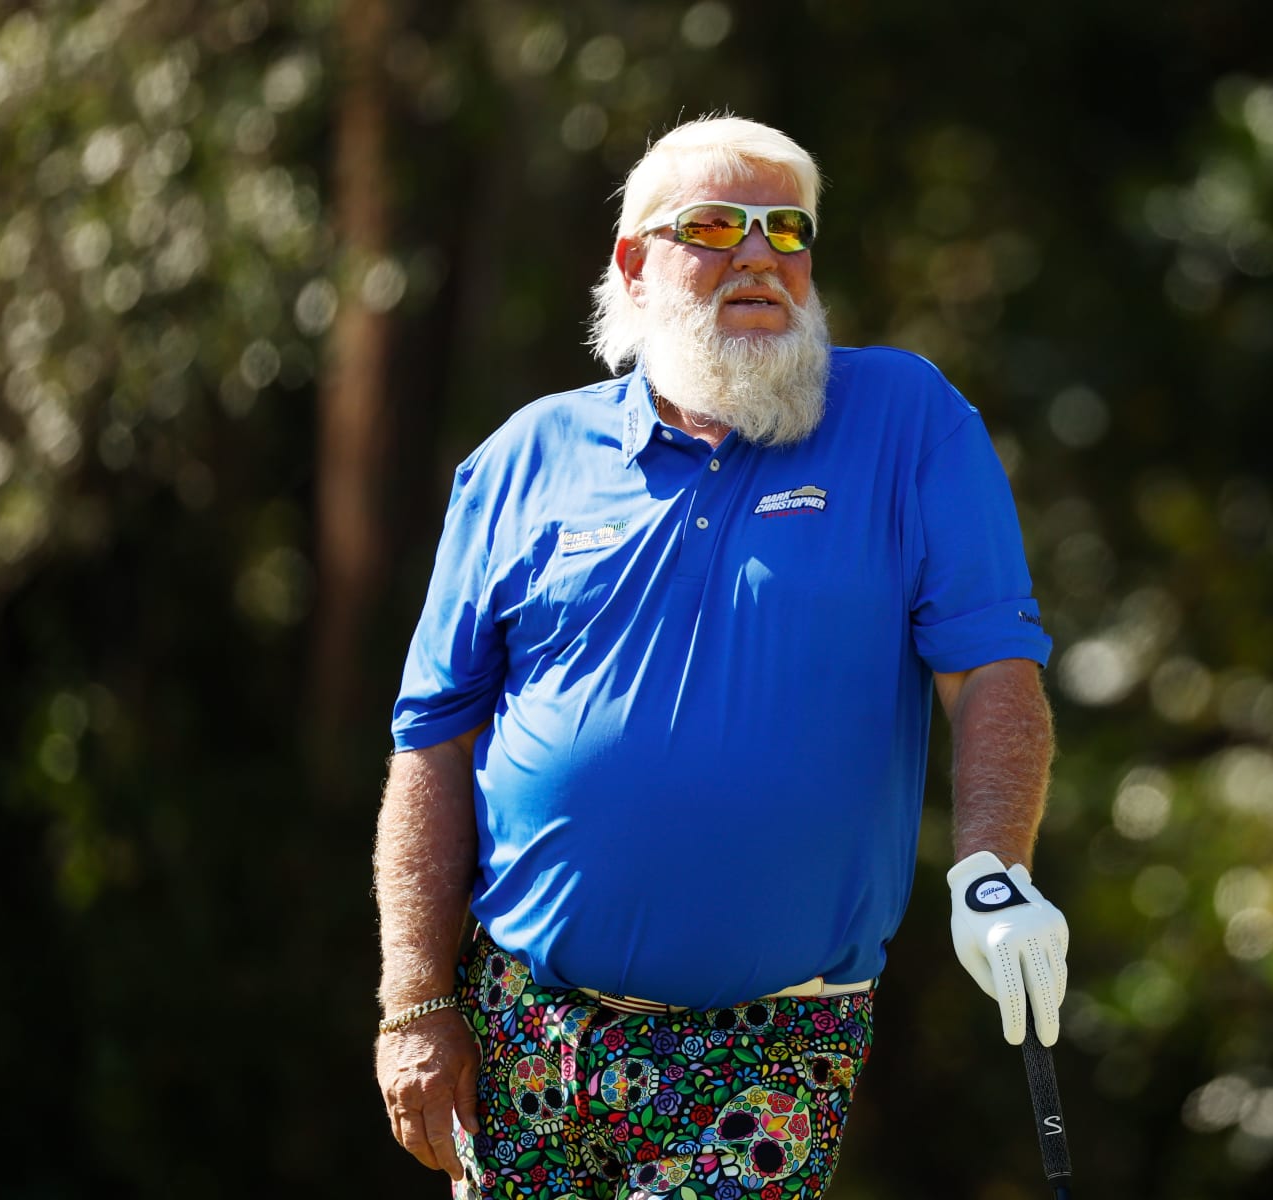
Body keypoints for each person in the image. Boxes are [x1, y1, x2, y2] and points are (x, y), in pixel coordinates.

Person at [373, 115, 1069, 1200]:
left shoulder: (907, 419)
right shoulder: (523, 458)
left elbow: (992, 670)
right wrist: (418, 1002)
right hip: (526, 1029)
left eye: (786, 229)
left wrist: (994, 866)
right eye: (715, 225)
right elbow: (434, 744)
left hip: (774, 1045)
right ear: (635, 264)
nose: (759, 253)